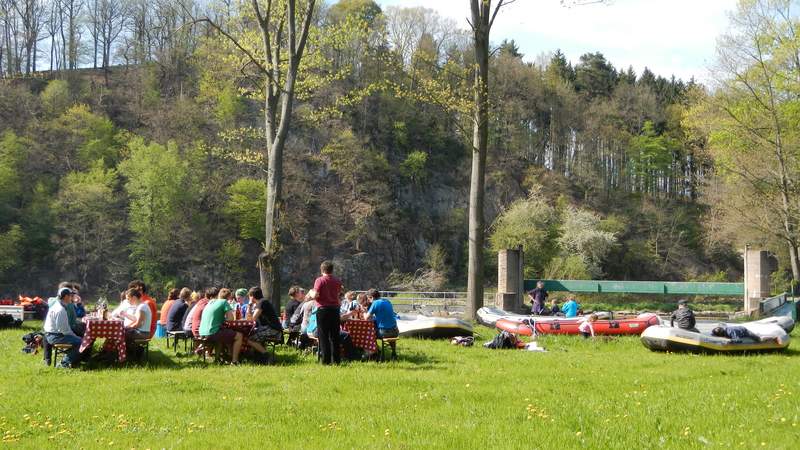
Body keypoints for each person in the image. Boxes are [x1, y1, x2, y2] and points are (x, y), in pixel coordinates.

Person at [199, 288, 268, 364]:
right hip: (213, 332)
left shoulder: (210, 302)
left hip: (202, 332)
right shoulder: (224, 302)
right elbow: (231, 318)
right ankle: (234, 360)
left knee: (225, 335)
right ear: (229, 297)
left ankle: (220, 358)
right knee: (239, 336)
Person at [43, 287, 86, 368]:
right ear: (66, 297)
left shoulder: (56, 305)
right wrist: (75, 336)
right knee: (82, 342)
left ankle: (70, 359)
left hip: (50, 334)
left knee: (79, 340)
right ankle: (64, 363)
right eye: (71, 296)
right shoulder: (60, 310)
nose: (72, 298)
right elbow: (64, 330)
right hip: (56, 336)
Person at [312, 261, 343, 365]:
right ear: (332, 270)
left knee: (323, 336)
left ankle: (326, 361)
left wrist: (311, 293)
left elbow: (315, 295)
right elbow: (339, 294)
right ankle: (337, 360)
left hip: (323, 310)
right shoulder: (337, 280)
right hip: (335, 309)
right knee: (335, 336)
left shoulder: (319, 280)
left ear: (322, 270)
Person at [364, 289, 399, 359]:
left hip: (384, 332)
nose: (368, 301)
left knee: (368, 334)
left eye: (368, 298)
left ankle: (375, 352)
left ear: (372, 297)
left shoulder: (375, 303)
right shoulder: (387, 301)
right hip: (395, 331)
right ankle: (393, 353)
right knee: (389, 331)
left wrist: (364, 311)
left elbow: (366, 318)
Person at [118, 289, 152, 353]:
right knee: (121, 332)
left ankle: (125, 352)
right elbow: (135, 319)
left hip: (142, 333)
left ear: (134, 298)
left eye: (128, 299)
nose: (127, 301)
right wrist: (127, 326)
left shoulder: (142, 307)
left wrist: (128, 327)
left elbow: (139, 324)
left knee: (120, 334)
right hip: (141, 332)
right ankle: (129, 352)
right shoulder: (140, 306)